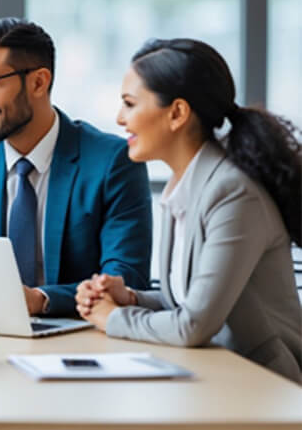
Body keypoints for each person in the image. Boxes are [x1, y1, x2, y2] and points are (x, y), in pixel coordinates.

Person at [76, 38, 302, 383]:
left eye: (129, 104)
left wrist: (112, 318)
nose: (120, 118)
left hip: (264, 381)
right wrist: (129, 298)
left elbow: (194, 324)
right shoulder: (182, 185)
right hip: (212, 371)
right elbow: (186, 300)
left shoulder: (232, 192)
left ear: (177, 113)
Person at [0, 18, 153, 316]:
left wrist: (42, 299)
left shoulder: (111, 161)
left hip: (82, 339)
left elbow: (126, 279)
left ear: (38, 82)